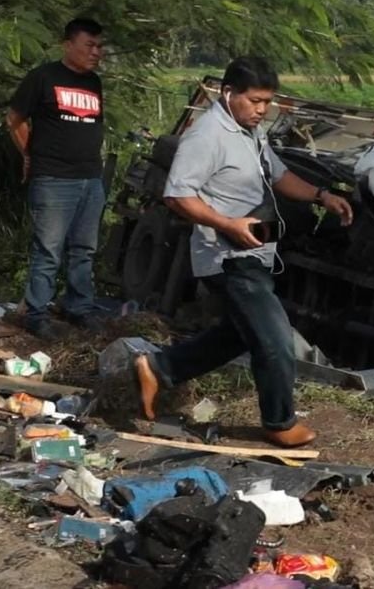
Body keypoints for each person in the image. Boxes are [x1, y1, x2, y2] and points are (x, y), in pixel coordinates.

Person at [132, 56, 353, 449]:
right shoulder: (207, 137)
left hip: (257, 251)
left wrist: (322, 196)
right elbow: (177, 195)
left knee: (238, 334)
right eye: (255, 101)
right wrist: (227, 224)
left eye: (268, 102)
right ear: (228, 93)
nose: (262, 110)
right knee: (274, 338)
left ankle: (158, 368)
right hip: (227, 255)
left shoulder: (250, 132)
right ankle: (279, 422)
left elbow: (279, 175)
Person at [7, 18, 107, 339]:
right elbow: (14, 119)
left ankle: (79, 308)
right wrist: (28, 154)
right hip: (52, 179)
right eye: (89, 45)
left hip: (91, 179)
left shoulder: (94, 83)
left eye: (99, 46)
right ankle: (35, 313)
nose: (96, 52)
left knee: (84, 249)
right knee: (48, 249)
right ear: (68, 45)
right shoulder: (43, 77)